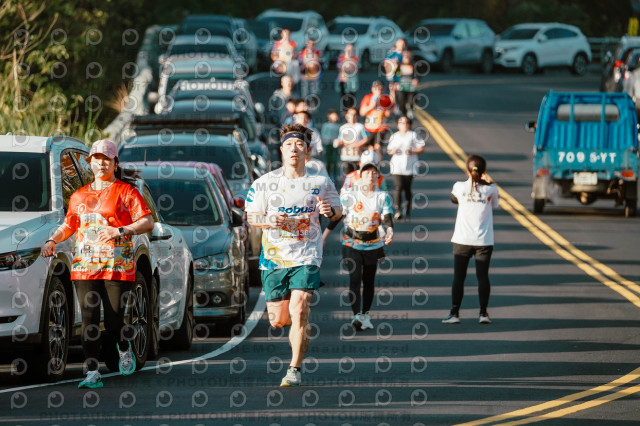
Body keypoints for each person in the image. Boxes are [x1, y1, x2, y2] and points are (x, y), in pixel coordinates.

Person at [40, 139, 154, 388]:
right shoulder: (79, 195)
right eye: (96, 159)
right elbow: (69, 224)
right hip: (85, 267)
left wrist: (121, 230)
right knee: (89, 320)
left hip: (117, 266)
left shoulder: (126, 192)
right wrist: (52, 240)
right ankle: (92, 372)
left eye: (106, 159)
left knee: (114, 322)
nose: (101, 164)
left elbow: (147, 221)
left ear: (115, 163)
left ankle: (124, 346)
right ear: (90, 163)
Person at [245, 123, 342, 387]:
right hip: (274, 257)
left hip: (307, 255)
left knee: (300, 309)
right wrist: (269, 221)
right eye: (289, 144)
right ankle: (290, 323)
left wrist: (329, 211)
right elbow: (251, 216)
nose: (294, 149)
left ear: (307, 150)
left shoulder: (320, 182)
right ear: (281, 150)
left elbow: (338, 211)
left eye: (299, 144)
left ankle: (294, 369)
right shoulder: (265, 183)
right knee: (278, 321)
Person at [442, 155, 499, 325]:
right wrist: (486, 183)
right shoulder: (491, 189)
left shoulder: (459, 187)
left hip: (462, 239)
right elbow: (494, 205)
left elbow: (453, 199)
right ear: (484, 172)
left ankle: (454, 313)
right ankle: (483, 313)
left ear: (467, 171)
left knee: (459, 277)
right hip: (484, 241)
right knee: (483, 276)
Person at [339, 160, 394, 330]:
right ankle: (356, 315)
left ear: (378, 177)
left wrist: (390, 230)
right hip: (352, 243)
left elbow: (387, 217)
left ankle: (365, 314)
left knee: (369, 281)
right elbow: (337, 214)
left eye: (374, 173)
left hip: (373, 245)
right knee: (355, 278)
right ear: (360, 176)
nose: (370, 176)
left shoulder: (382, 196)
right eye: (367, 173)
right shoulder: (350, 195)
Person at [386, 116, 426, 220]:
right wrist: (393, 151)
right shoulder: (394, 136)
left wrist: (412, 151)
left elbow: (422, 148)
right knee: (398, 187)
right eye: (401, 123)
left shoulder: (413, 135)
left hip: (410, 165)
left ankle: (408, 205)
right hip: (397, 165)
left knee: (407, 188)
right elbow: (389, 150)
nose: (404, 125)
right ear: (398, 125)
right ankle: (398, 210)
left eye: (406, 123)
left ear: (409, 125)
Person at [359, 80, 393, 160]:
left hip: (380, 127)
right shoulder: (368, 98)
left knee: (378, 147)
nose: (379, 91)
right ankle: (369, 162)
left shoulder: (385, 99)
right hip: (369, 127)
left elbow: (388, 113)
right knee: (370, 147)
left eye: (380, 89)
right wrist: (371, 106)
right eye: (376, 88)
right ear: (372, 89)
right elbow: (362, 112)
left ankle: (378, 164)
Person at [334, 107, 369, 177]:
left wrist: (358, 144)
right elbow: (340, 139)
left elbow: (367, 138)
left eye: (354, 115)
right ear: (346, 116)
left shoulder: (360, 127)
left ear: (357, 116)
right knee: (347, 178)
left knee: (357, 178)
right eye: (350, 114)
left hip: (357, 157)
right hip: (345, 157)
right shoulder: (343, 127)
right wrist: (337, 142)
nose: (352, 117)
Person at [383, 38, 407, 111]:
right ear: (396, 43)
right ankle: (392, 107)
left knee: (401, 92)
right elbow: (386, 63)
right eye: (399, 43)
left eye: (403, 44)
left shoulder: (405, 53)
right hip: (393, 76)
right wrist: (389, 72)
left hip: (402, 76)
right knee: (392, 91)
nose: (401, 45)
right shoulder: (392, 52)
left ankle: (401, 107)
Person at [335, 43, 359, 110]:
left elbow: (356, 68)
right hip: (342, 80)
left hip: (352, 81)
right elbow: (338, 67)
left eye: (351, 49)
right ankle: (344, 111)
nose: (349, 51)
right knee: (343, 96)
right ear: (345, 49)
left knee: (352, 96)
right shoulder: (341, 57)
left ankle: (351, 110)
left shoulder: (355, 58)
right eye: (348, 49)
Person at [396, 50, 420, 118]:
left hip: (410, 85)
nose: (406, 58)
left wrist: (416, 79)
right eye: (405, 56)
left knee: (411, 98)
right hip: (402, 85)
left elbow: (417, 74)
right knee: (401, 98)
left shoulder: (414, 64)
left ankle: (410, 109)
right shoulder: (400, 64)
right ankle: (401, 111)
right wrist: (396, 83)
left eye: (408, 57)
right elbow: (396, 74)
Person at [320, 109, 341, 180]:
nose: (335, 117)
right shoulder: (326, 125)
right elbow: (323, 135)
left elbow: (340, 135)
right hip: (328, 145)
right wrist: (327, 139)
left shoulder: (338, 126)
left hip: (336, 146)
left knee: (335, 161)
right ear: (329, 116)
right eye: (333, 116)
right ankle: (327, 175)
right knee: (328, 161)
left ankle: (335, 176)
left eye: (336, 116)